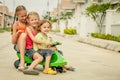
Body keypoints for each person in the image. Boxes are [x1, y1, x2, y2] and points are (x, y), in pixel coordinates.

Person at [11, 5, 27, 71]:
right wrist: (17, 34)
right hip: (18, 46)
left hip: (27, 45)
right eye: (22, 16)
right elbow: (13, 42)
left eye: (25, 15)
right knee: (23, 35)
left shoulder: (28, 23)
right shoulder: (16, 24)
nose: (24, 18)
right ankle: (22, 62)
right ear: (17, 16)